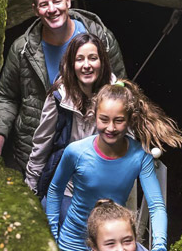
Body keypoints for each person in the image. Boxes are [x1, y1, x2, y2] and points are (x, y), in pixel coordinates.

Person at [45, 80, 182, 251]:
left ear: (130, 119)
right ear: (94, 116)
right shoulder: (75, 152)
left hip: (114, 248)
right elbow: (54, 191)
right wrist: (52, 238)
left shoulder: (139, 157)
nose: (110, 127)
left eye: (118, 120)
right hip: (72, 246)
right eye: (104, 119)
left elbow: (157, 206)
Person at [0, 0, 126, 173]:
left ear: (68, 1)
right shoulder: (22, 49)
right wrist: (0, 133)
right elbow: (7, 96)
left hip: (90, 147)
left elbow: (121, 89)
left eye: (57, 1)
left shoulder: (101, 39)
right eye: (44, 4)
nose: (52, 9)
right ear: (35, 10)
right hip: (36, 151)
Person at [25, 32, 115, 203]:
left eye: (93, 58)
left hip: (103, 190)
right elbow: (41, 144)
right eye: (79, 59)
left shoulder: (115, 97)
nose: (86, 65)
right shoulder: (59, 97)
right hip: (64, 187)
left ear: (102, 62)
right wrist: (30, 187)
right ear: (71, 64)